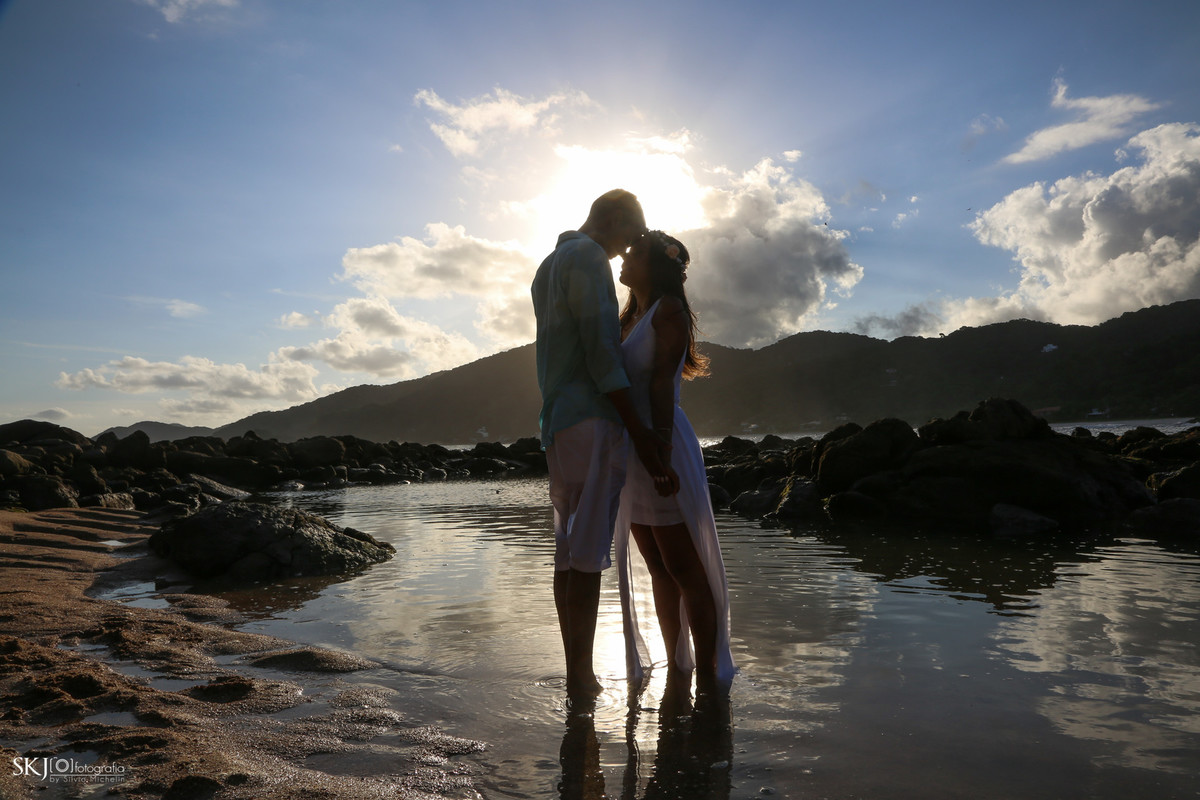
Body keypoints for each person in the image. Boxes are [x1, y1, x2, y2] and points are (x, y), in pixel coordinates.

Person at [532, 189, 675, 699]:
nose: (627, 249)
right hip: (592, 421)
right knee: (587, 551)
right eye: (631, 235)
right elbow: (600, 353)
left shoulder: (549, 263)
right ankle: (580, 679)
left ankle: (577, 670)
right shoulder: (590, 258)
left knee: (567, 550)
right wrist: (640, 433)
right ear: (614, 218)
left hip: (557, 422)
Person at [613, 230, 736, 694]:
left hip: (661, 441)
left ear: (656, 266)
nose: (623, 260)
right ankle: (677, 667)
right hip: (632, 444)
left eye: (633, 253)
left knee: (685, 567)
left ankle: (706, 676)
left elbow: (662, 385)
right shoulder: (629, 316)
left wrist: (659, 453)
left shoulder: (669, 311)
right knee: (657, 565)